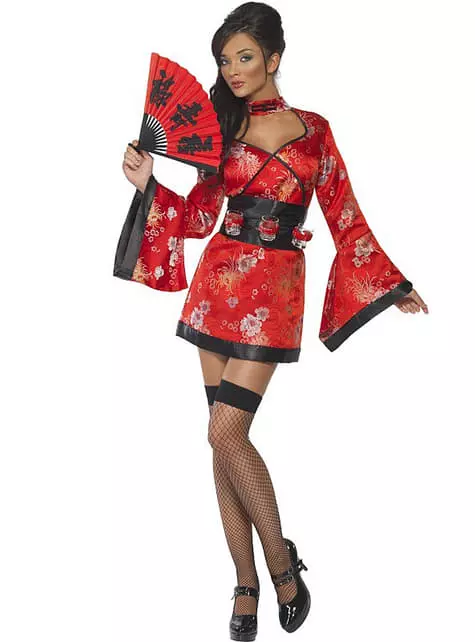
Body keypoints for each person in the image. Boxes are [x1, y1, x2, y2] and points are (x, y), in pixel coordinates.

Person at [120, 2, 429, 638]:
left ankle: (282, 562)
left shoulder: (314, 130)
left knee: (226, 431)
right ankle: (246, 583)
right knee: (220, 439)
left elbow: (345, 213)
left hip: (275, 295)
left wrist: (389, 282)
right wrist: (149, 183)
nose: (232, 70)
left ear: (273, 58)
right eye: (224, 60)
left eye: (244, 57)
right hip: (217, 286)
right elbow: (199, 217)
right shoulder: (221, 129)